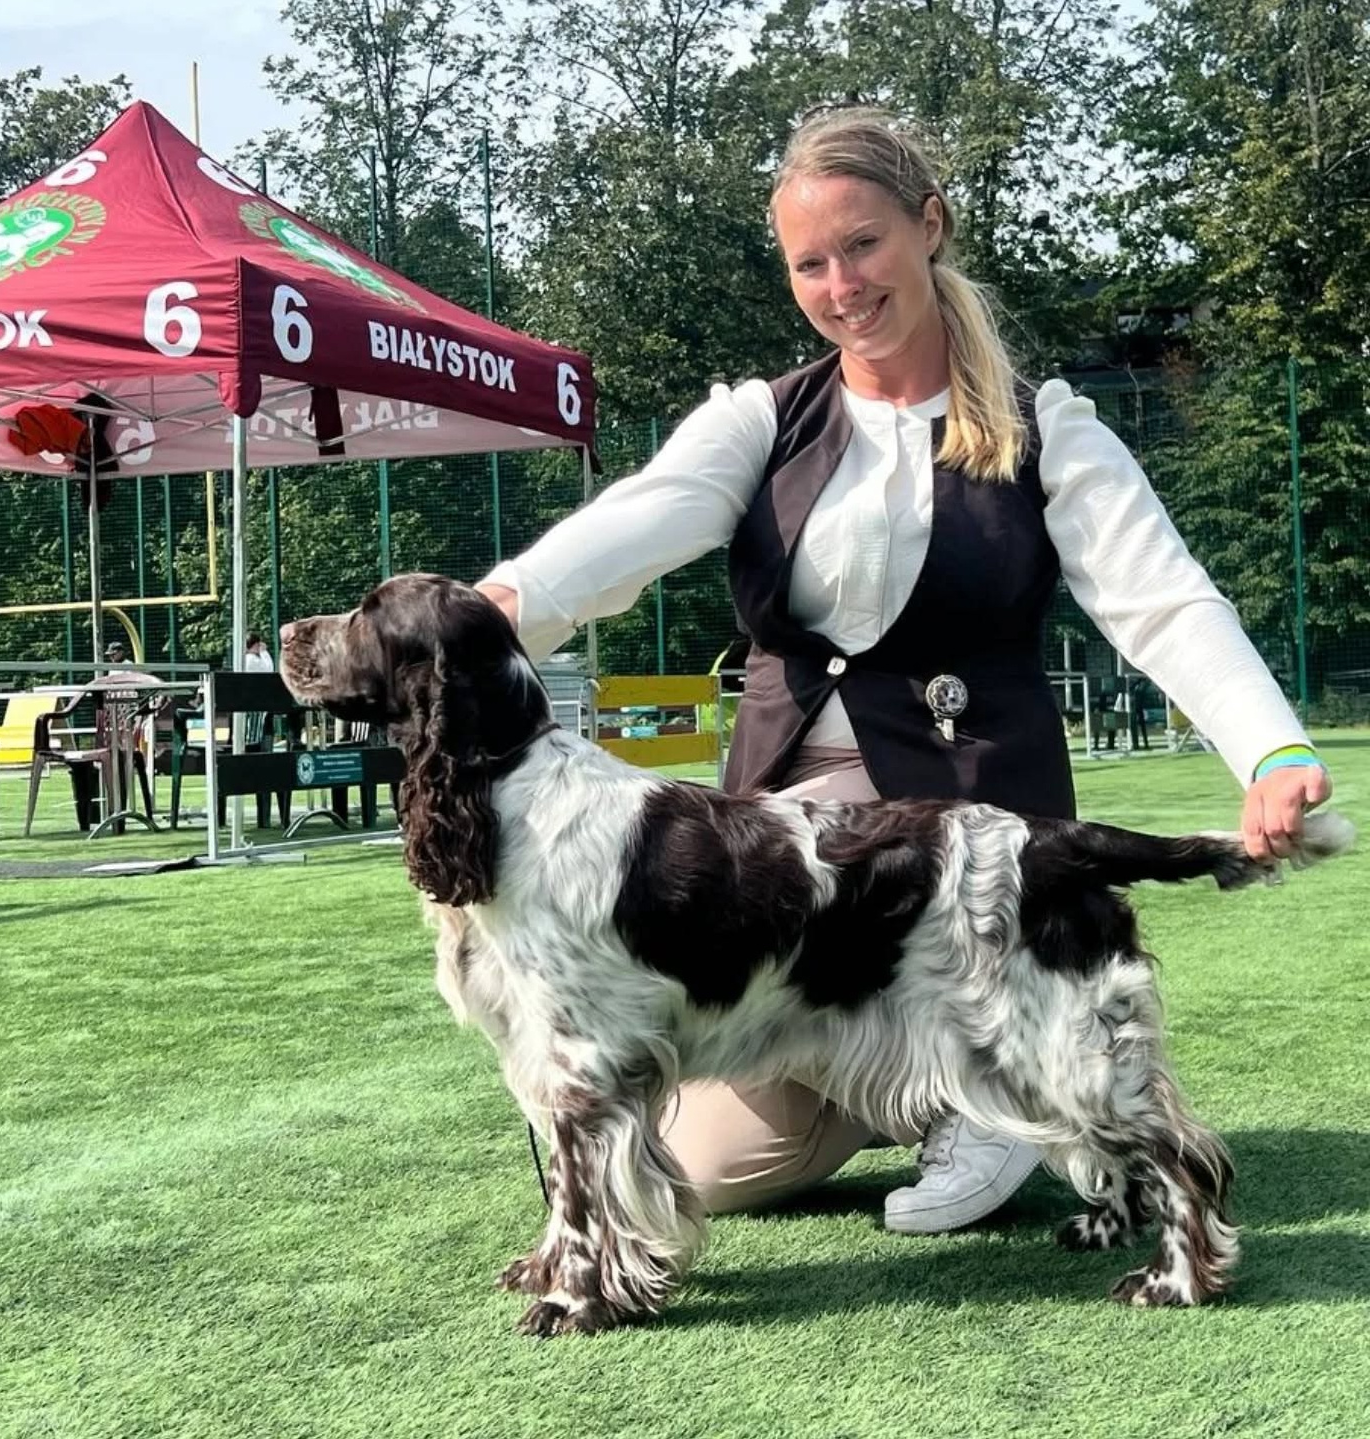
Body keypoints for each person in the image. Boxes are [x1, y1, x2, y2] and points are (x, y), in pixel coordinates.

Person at [474, 107, 1332, 1233]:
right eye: (809, 264)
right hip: (791, 841)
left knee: (945, 1040)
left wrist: (1268, 747)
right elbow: (637, 525)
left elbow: (1159, 600)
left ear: (928, 225)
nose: (841, 283)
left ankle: (982, 1081)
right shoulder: (759, 420)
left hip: (967, 836)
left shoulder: (1047, 428)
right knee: (714, 1168)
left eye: (863, 244)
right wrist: (505, 606)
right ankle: (906, 1073)